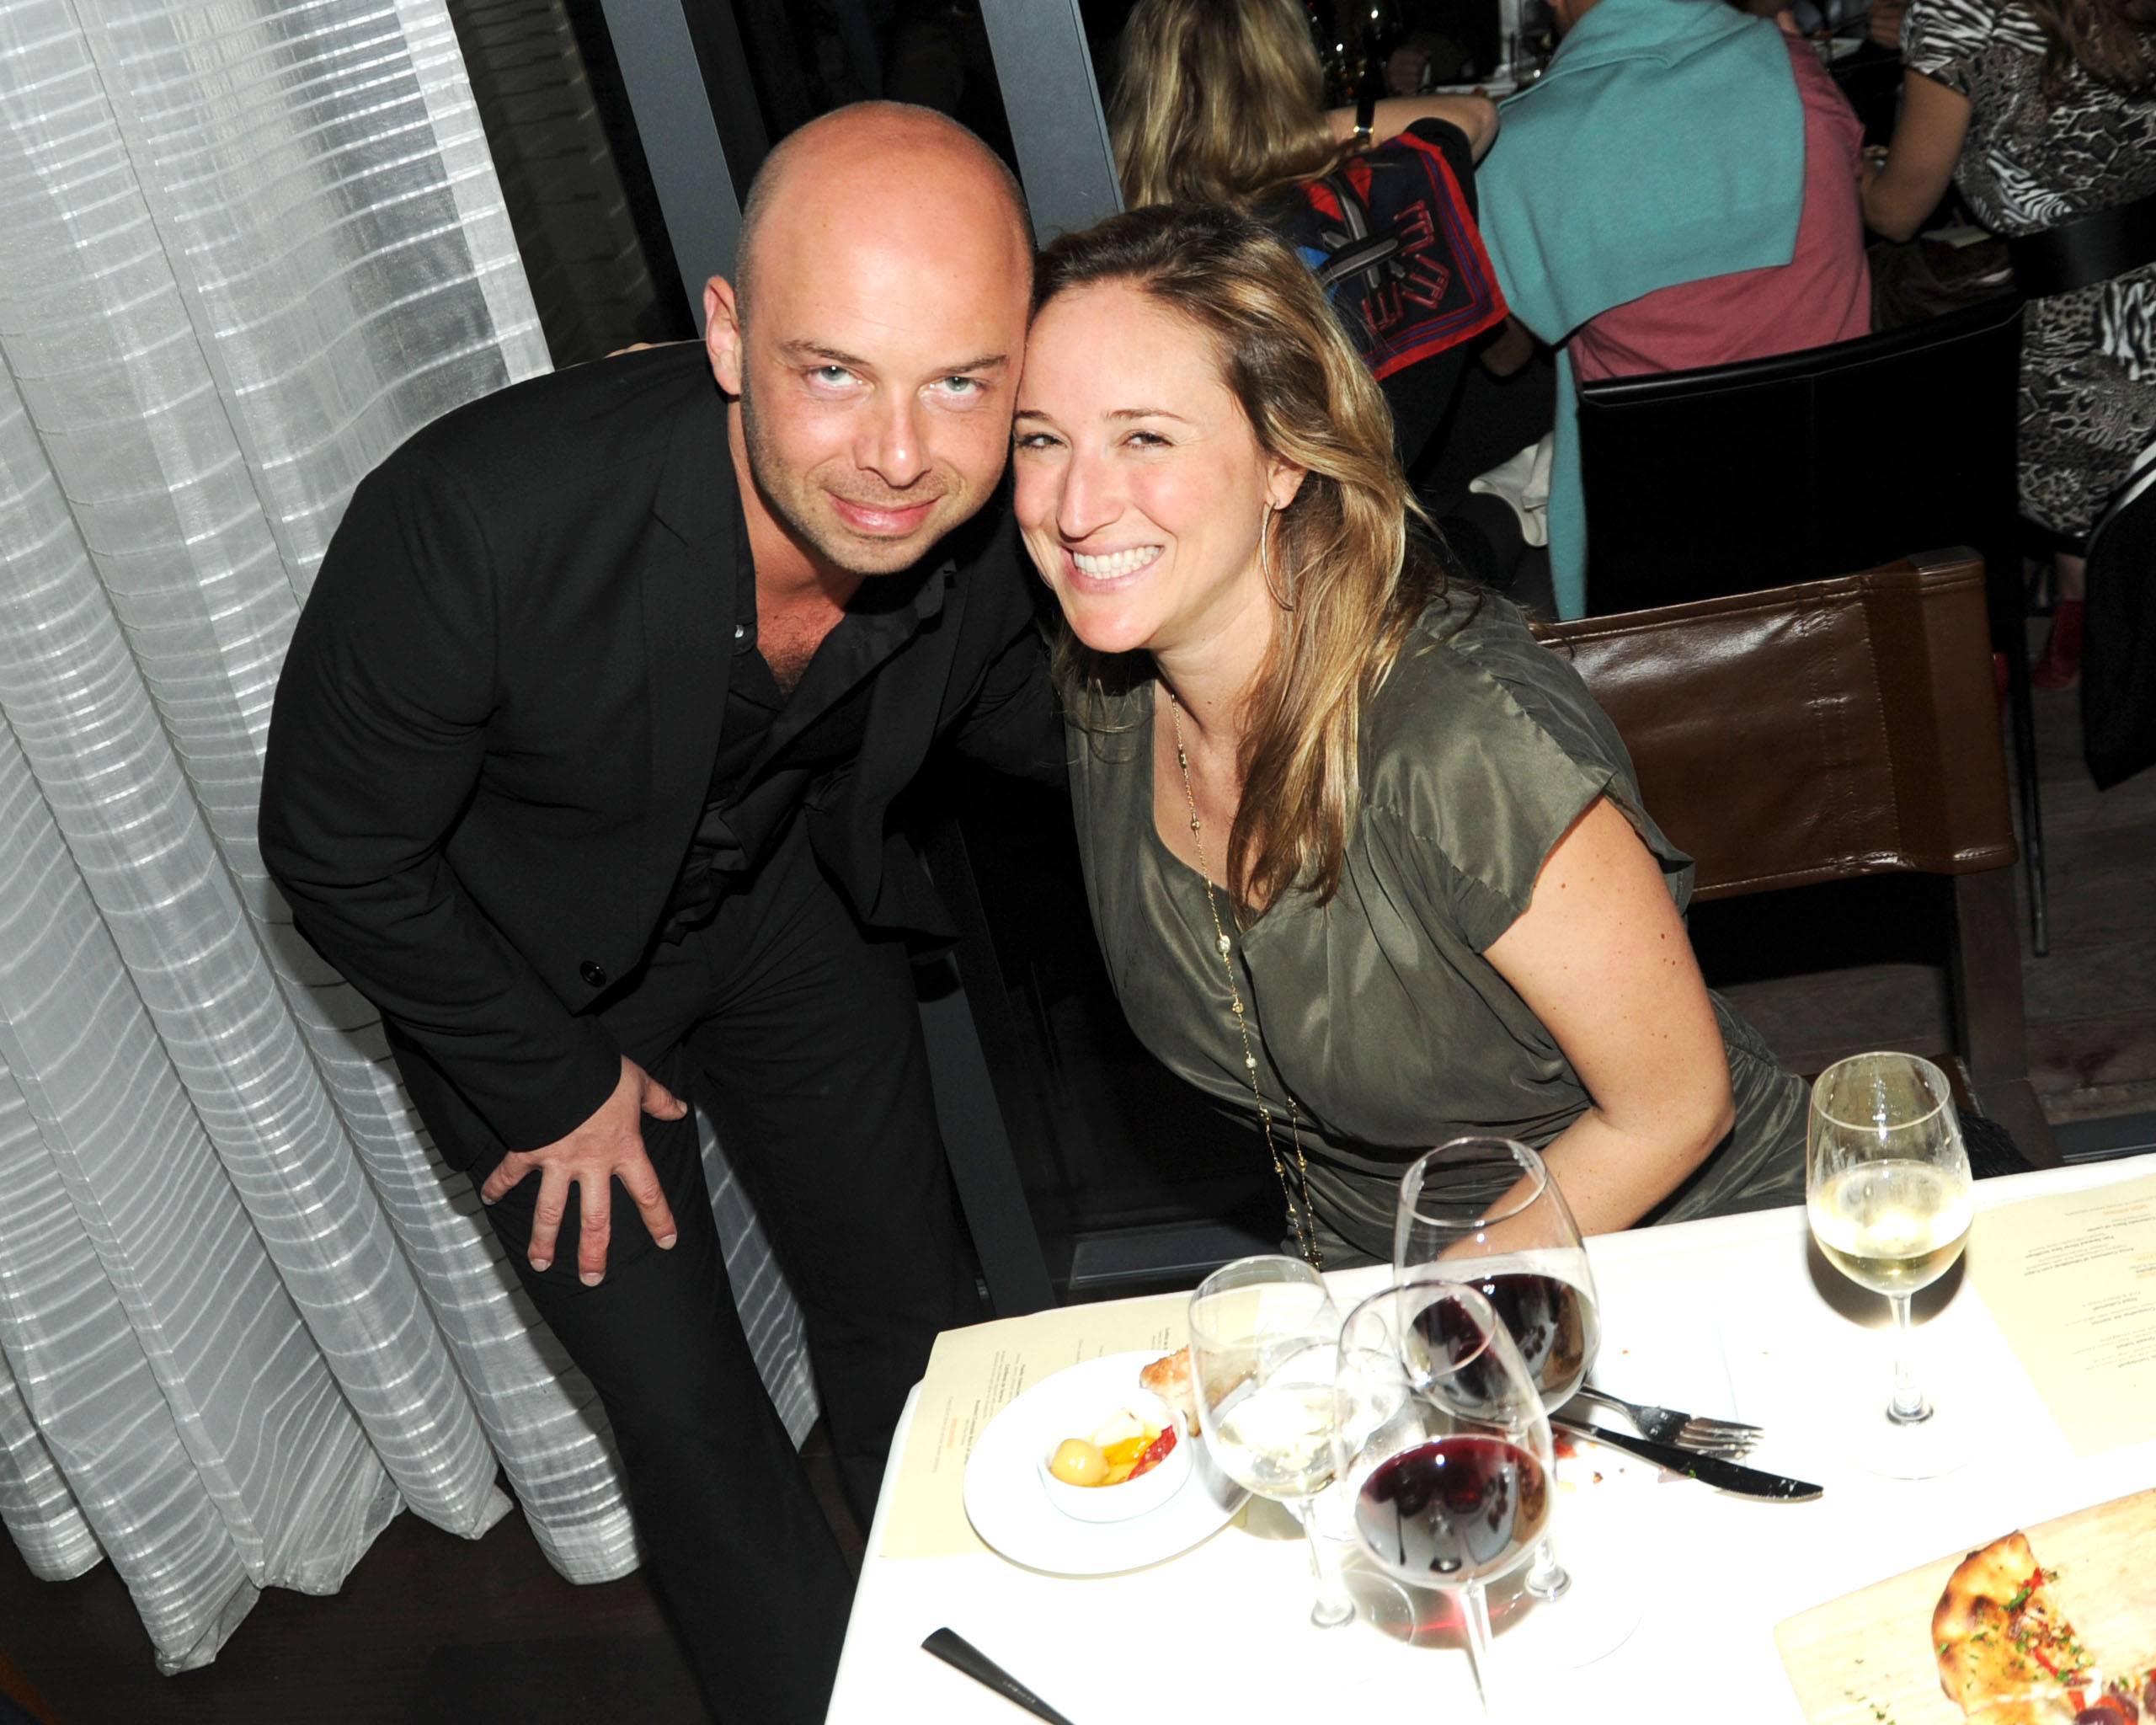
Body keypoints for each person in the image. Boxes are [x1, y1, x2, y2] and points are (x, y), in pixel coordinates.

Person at [258, 104, 1058, 1723]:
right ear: (729, 336)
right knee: (695, 1423)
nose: (900, 454)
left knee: (913, 1318)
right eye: (834, 372)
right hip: (527, 984)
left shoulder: (991, 530)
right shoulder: (474, 522)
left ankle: (986, 1670)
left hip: (784, 910)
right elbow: (331, 847)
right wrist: (548, 1078)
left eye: (961, 381)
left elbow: (1047, 726)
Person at [1010, 202, 1807, 1268]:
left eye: (1143, 436)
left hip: (1679, 1247)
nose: (1074, 506)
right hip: (1373, 1275)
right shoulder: (1108, 702)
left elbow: (1674, 1110)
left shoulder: (1458, 740)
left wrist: (1419, 1317)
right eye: (1041, 440)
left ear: (1284, 457)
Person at [1473, 0, 1872, 615]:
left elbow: (1504, 356)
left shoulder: (1520, 145)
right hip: (1846, 515)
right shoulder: (1798, 74)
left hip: (1658, 567)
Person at [1862, 0, 2156, 689]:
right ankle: (2081, 607)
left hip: (2071, 336)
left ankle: (2078, 620)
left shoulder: (1957, 15)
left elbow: (1896, 212)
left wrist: (1855, 167)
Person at [1109, 0, 1510, 498]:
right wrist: (1302, 134)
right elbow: (1475, 117)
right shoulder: (1350, 198)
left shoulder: (1115, 233)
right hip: (1364, 498)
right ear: (1291, 61)